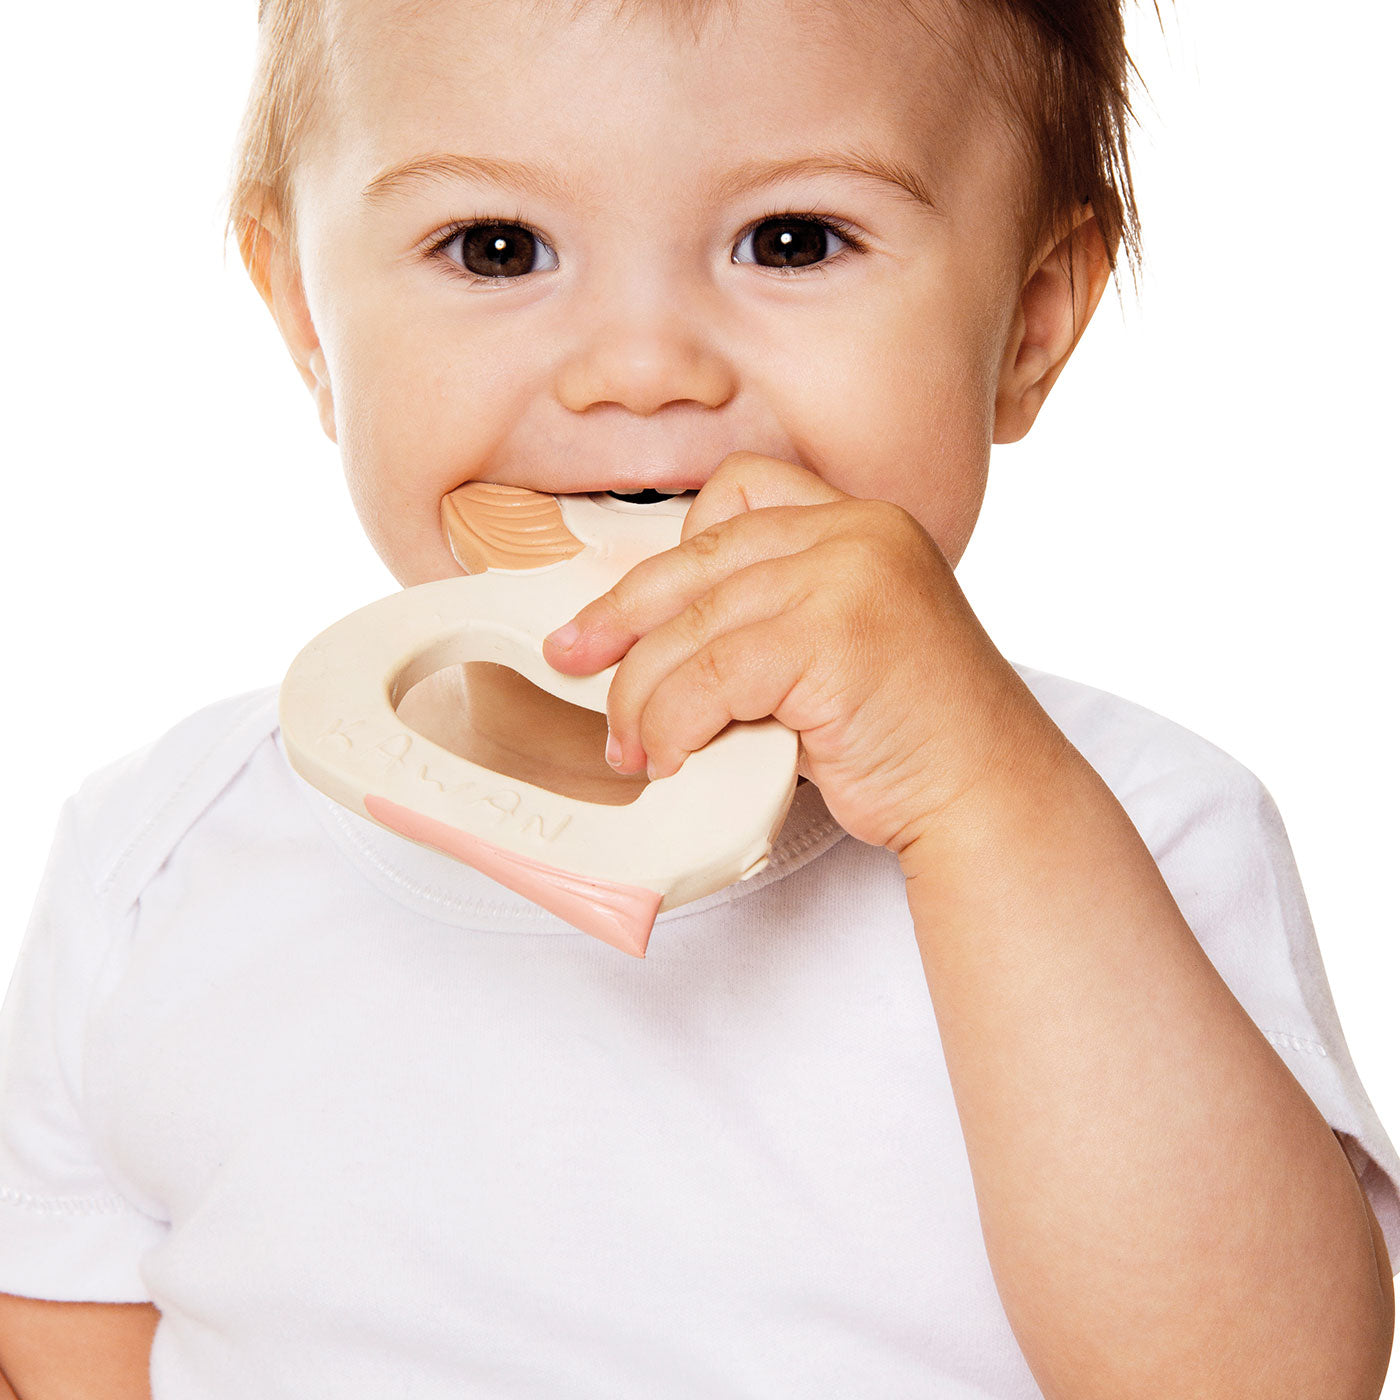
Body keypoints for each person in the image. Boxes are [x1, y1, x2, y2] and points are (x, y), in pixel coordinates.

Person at [0, 0, 1395, 1395]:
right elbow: (73, 1356)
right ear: (310, 318)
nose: (642, 370)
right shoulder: (159, 864)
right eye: (496, 248)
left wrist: (981, 801)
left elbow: (1263, 1379)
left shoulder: (1126, 835)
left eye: (792, 241)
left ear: (1029, 320)